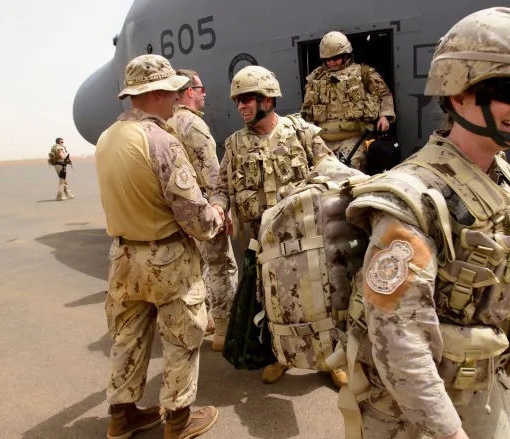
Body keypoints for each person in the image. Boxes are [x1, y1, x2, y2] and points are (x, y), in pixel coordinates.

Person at [337, 7, 510, 438]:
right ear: (458, 94)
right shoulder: (412, 199)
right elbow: (398, 341)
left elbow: (494, 242)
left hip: (477, 385)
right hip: (408, 412)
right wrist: (450, 433)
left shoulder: (501, 176)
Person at [94, 54, 223, 439]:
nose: (177, 100)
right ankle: (179, 421)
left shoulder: (106, 138)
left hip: (123, 255)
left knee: (127, 337)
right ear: (155, 94)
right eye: (171, 93)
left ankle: (122, 416)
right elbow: (195, 217)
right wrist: (217, 211)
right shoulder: (161, 141)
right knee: (182, 337)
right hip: (167, 259)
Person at [208, 65, 347, 387]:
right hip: (263, 240)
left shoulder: (302, 133)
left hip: (307, 236)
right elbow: (221, 187)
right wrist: (218, 206)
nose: (241, 106)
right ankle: (280, 357)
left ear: (268, 99)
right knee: (272, 303)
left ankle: (330, 359)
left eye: (247, 99)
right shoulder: (234, 144)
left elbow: (330, 169)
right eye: (237, 101)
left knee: (322, 300)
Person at [167, 68, 239, 352]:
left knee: (199, 266)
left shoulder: (166, 123)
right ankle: (224, 328)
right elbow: (213, 176)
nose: (204, 94)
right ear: (189, 91)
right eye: (201, 88)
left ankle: (206, 318)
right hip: (203, 208)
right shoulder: (193, 125)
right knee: (222, 265)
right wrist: (224, 210)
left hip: (179, 212)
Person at [300, 31, 395, 172]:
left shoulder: (363, 72)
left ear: (346, 54)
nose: (331, 62)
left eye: (335, 58)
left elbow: (384, 94)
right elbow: (307, 107)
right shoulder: (316, 78)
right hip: (322, 139)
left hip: (354, 136)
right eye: (327, 59)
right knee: (318, 174)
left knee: (351, 171)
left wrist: (384, 116)